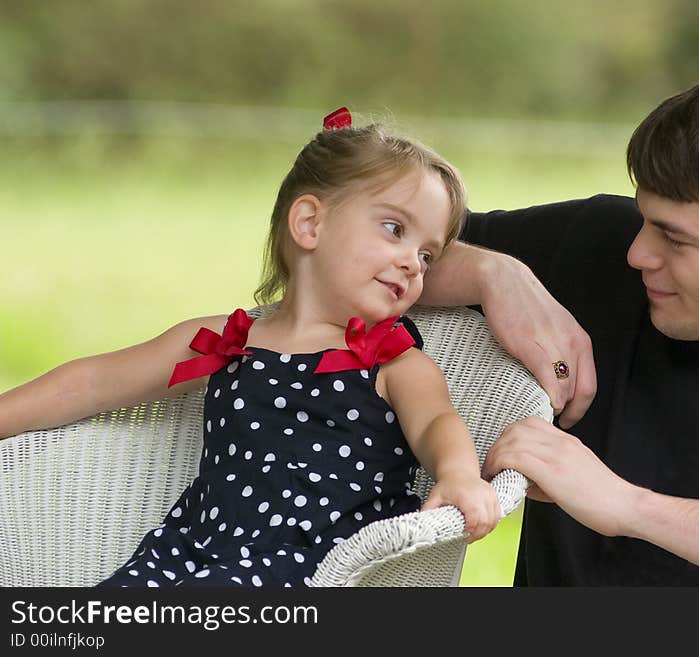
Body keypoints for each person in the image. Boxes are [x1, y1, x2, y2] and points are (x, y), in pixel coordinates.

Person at [421, 55, 699, 585]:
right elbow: (335, 249)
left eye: (676, 238)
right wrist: (490, 273)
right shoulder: (599, 248)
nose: (638, 253)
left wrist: (626, 507)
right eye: (644, 220)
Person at [0, 107, 500, 587]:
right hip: (188, 557)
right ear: (309, 224)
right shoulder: (226, 343)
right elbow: (94, 383)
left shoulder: (391, 361)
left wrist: (458, 475)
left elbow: (438, 423)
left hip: (315, 570)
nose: (414, 263)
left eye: (427, 255)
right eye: (394, 229)